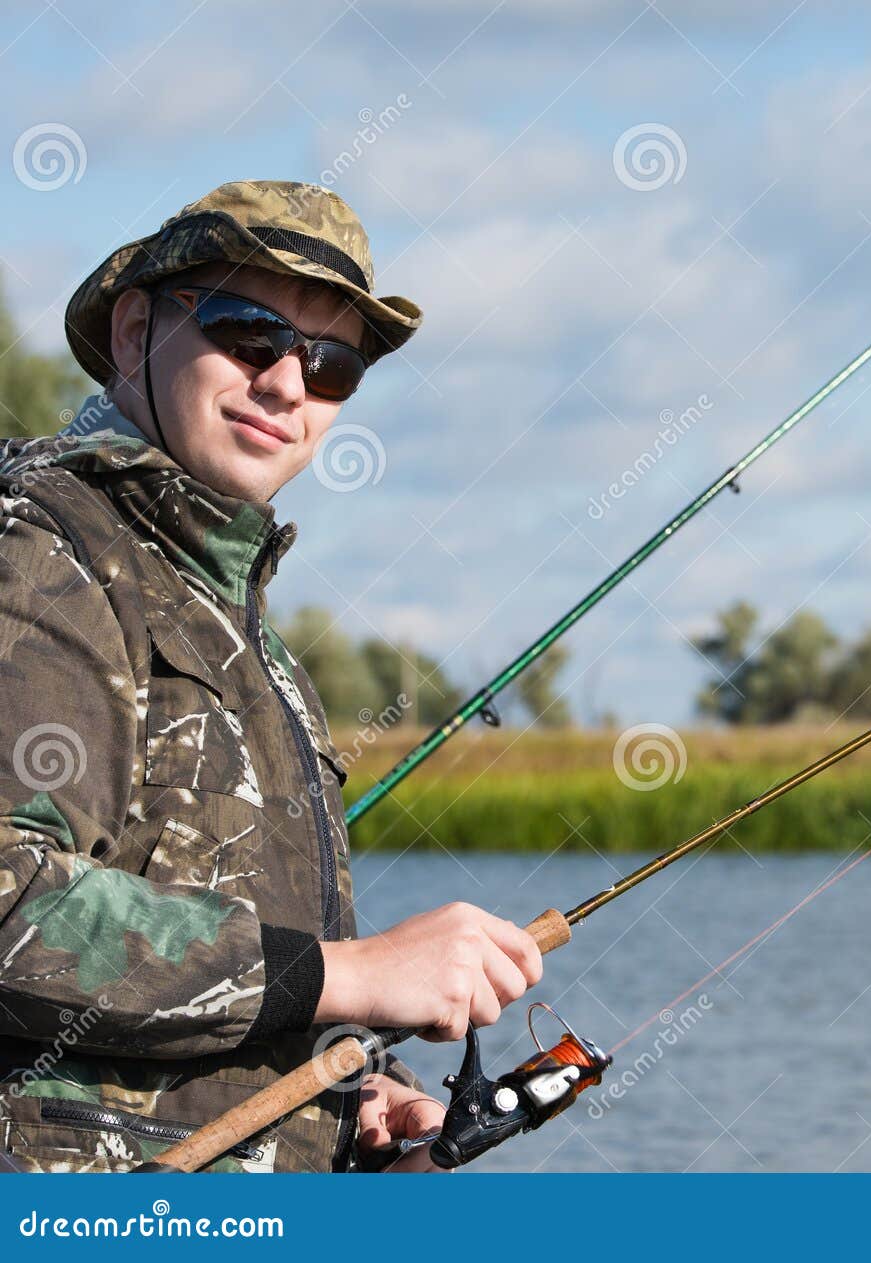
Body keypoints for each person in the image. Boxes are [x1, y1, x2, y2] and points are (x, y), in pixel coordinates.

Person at [0, 181, 545, 1172]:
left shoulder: (246, 636)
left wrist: (348, 1093)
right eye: (250, 332)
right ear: (135, 335)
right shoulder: (47, 551)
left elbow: (237, 1002)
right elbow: (11, 906)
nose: (289, 385)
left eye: (331, 363)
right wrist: (355, 974)